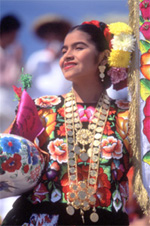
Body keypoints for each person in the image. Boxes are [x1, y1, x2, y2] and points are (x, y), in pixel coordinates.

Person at [1, 20, 135, 225]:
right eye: (64, 50)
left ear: (103, 57)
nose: (67, 55)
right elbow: (7, 163)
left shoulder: (129, 115)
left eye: (79, 47)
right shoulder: (40, 108)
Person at [25, 15, 72, 98]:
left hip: (62, 107)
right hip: (37, 105)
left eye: (57, 33)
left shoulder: (69, 60)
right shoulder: (36, 58)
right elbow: (26, 83)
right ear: (45, 36)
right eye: (49, 33)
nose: (53, 36)